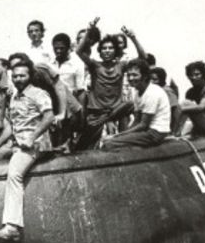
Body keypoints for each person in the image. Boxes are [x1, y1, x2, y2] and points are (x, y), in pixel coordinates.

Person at [0, 60, 55, 242]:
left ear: (30, 76)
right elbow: (11, 125)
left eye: (22, 76)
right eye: (15, 76)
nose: (18, 79)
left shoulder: (38, 94)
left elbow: (49, 117)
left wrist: (32, 137)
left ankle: (12, 226)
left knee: (15, 173)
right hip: (18, 143)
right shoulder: (14, 97)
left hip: (36, 144)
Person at [72, 18, 133, 151]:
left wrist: (132, 38)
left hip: (115, 111)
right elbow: (78, 51)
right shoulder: (95, 65)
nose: (107, 51)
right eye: (104, 48)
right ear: (100, 51)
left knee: (129, 107)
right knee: (85, 148)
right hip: (96, 113)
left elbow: (143, 58)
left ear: (116, 51)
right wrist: (89, 30)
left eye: (110, 48)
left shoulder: (121, 65)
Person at [102, 59, 172, 150]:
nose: (131, 78)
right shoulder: (137, 92)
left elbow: (143, 124)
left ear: (144, 76)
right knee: (112, 140)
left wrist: (117, 136)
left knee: (110, 143)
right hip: (147, 131)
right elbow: (137, 121)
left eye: (135, 75)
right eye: (129, 75)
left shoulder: (152, 93)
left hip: (156, 132)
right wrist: (123, 135)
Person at [151, 67, 182, 134]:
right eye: (150, 79)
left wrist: (174, 131)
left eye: (155, 80)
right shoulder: (156, 91)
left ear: (161, 80)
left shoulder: (166, 91)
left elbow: (176, 110)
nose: (152, 82)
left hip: (166, 128)